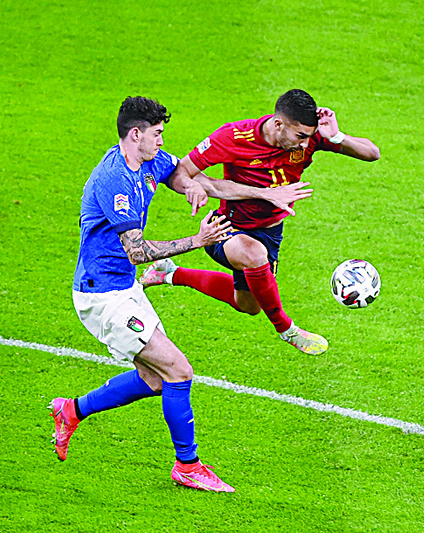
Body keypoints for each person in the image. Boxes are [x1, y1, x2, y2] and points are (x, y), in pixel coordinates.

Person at [51, 96, 310, 492]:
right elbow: (137, 252)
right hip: (100, 295)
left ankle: (72, 410)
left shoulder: (149, 159)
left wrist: (214, 190)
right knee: (178, 370)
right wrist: (198, 239)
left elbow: (195, 179)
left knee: (155, 380)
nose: (161, 141)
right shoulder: (114, 181)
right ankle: (187, 466)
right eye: (157, 134)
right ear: (135, 134)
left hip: (123, 288)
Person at [139, 89, 380, 355]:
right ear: (279, 124)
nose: (304, 145)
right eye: (300, 136)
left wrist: (336, 136)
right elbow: (182, 172)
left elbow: (372, 153)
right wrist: (257, 193)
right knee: (254, 254)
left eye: (309, 138)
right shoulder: (232, 137)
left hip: (270, 232)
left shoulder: (309, 137)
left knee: (249, 305)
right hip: (226, 226)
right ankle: (288, 330)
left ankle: (169, 273)